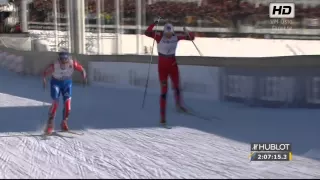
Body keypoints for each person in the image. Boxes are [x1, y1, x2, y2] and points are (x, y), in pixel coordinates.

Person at [144, 19, 195, 126]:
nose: (168, 35)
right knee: (164, 91)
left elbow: (192, 38)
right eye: (166, 33)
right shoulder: (159, 37)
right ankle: (162, 117)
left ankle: (179, 105)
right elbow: (147, 33)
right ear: (163, 32)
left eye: (169, 33)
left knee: (177, 86)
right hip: (162, 67)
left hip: (173, 65)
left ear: (172, 32)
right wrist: (154, 23)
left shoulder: (176, 37)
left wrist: (187, 30)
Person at [42, 51, 87, 135]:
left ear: (68, 58)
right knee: (55, 103)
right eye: (61, 59)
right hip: (56, 83)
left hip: (67, 84)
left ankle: (64, 122)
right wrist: (44, 79)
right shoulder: (55, 64)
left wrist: (84, 76)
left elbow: (82, 69)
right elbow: (45, 72)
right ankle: (50, 124)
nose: (63, 61)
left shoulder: (72, 63)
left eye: (65, 59)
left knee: (67, 105)